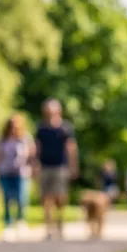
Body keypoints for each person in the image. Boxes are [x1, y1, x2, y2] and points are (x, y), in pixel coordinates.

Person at [35, 99, 78, 239]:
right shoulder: (41, 128)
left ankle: (60, 225)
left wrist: (73, 165)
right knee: (46, 198)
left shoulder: (65, 127)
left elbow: (71, 147)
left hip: (61, 167)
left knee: (60, 198)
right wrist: (35, 163)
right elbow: (37, 147)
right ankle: (48, 229)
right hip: (45, 166)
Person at [0, 114, 34, 241]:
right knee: (7, 199)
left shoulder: (25, 138)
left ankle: (21, 222)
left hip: (22, 174)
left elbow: (32, 155)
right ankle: (8, 225)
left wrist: (35, 169)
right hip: (5, 173)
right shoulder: (2, 140)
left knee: (21, 199)